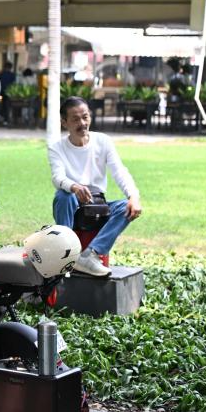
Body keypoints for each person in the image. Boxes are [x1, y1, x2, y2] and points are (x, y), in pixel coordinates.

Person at [48, 97, 142, 277]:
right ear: (64, 122)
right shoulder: (56, 147)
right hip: (72, 203)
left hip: (97, 204)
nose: (82, 123)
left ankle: (91, 255)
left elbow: (119, 171)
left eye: (85, 117)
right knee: (63, 196)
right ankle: (65, 253)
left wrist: (133, 196)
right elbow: (57, 178)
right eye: (75, 119)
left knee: (125, 206)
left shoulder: (103, 141)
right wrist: (74, 187)